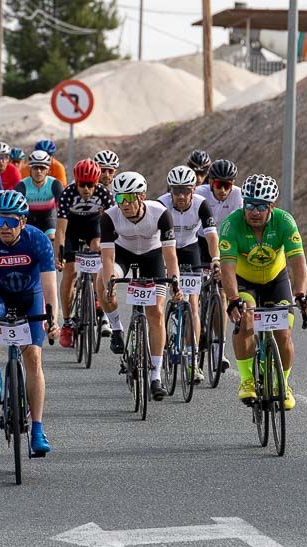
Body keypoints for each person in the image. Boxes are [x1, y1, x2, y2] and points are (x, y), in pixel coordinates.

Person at [0, 190, 58, 456]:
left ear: (23, 222)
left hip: (31, 295)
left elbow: (50, 286)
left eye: (10, 221)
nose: (3, 228)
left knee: (34, 359)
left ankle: (38, 429)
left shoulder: (38, 240)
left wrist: (54, 319)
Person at [219, 174, 307, 410]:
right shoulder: (232, 224)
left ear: (272, 205)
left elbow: (299, 263)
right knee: (247, 320)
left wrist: (301, 294)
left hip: (275, 280)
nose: (254, 211)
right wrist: (233, 299)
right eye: (249, 205)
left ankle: (283, 382)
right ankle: (247, 379)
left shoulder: (284, 222)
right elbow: (227, 268)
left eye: (261, 206)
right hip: (244, 282)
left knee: (283, 333)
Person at [98, 171, 182, 402]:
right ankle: (116, 327)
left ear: (142, 196)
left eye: (129, 198)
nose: (123, 204)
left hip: (152, 255)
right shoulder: (109, 217)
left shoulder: (161, 214)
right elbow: (107, 258)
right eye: (119, 198)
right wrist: (110, 285)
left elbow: (170, 255)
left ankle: (155, 375)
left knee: (155, 312)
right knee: (101, 278)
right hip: (123, 254)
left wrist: (175, 282)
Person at [160, 165, 220, 379]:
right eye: (177, 191)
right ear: (171, 191)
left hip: (190, 249)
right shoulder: (162, 204)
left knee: (193, 304)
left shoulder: (202, 205)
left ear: (194, 189)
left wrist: (215, 259)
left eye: (186, 190)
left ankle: (192, 361)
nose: (182, 196)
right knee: (159, 301)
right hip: (164, 248)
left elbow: (212, 235)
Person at [54, 158, 115, 347]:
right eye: (82, 185)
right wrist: (60, 256)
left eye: (90, 185)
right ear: (76, 182)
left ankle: (96, 295)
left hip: (93, 227)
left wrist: (111, 255)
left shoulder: (104, 193)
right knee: (70, 272)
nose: (86, 189)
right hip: (72, 229)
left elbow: (112, 226)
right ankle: (67, 322)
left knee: (99, 248)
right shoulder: (68, 194)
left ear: (96, 183)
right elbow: (61, 231)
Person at [14, 150, 62, 237]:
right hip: (28, 219)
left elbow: (61, 209)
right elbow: (15, 212)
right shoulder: (22, 185)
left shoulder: (55, 184)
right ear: (30, 169)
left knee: (51, 238)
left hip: (48, 218)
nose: (38, 171)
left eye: (42, 168)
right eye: (35, 167)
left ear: (47, 170)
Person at [196, 159, 243, 226]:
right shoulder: (199, 192)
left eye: (227, 185)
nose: (222, 190)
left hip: (225, 235)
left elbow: (240, 221)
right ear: (211, 182)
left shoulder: (239, 194)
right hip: (201, 235)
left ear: (232, 184)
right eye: (219, 184)